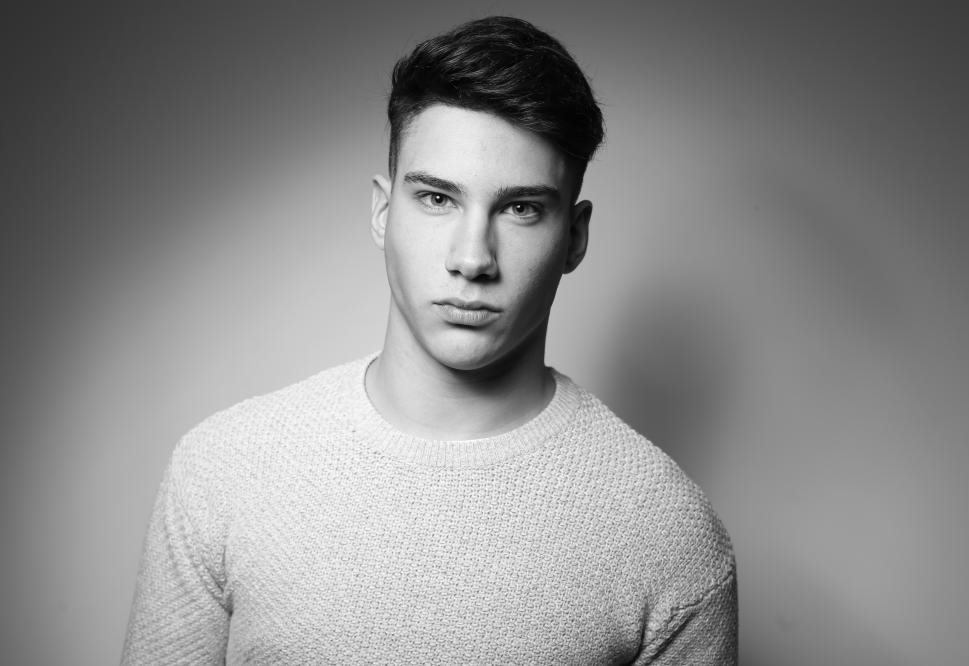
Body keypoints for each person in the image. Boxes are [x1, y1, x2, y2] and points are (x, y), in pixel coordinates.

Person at [122, 16, 737, 665]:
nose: (472, 259)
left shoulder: (670, 534)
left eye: (521, 209)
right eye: (438, 198)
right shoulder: (223, 470)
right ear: (383, 212)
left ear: (574, 238)